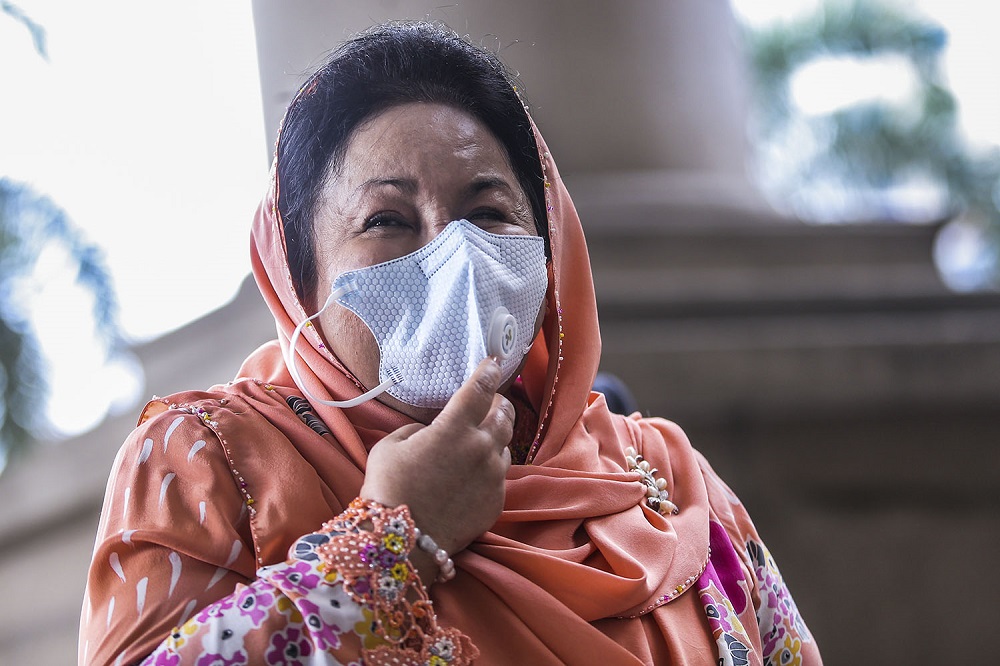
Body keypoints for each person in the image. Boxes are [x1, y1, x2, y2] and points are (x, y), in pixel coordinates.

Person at [80, 20, 822, 665]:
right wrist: (390, 544)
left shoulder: (667, 474)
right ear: (299, 281)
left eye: (489, 211)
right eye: (388, 220)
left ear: (550, 249)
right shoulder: (203, 466)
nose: (453, 253)